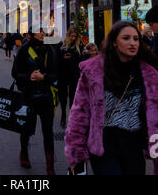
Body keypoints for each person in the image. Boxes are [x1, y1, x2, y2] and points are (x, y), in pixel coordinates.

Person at [65, 21, 158, 175]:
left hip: (133, 145)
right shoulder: (94, 71)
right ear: (114, 42)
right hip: (104, 145)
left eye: (136, 39)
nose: (132, 43)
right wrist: (76, 153)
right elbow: (80, 113)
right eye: (126, 38)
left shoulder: (149, 75)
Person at [12, 28, 57, 175]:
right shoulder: (24, 50)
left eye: (44, 32)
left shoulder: (50, 49)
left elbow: (56, 72)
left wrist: (44, 78)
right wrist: (29, 76)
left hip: (46, 97)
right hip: (28, 97)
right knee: (26, 129)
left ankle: (50, 166)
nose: (42, 34)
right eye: (39, 31)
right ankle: (24, 153)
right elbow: (15, 72)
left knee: (48, 132)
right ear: (32, 34)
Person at [56, 26, 84, 128]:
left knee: (73, 98)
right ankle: (63, 114)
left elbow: (81, 60)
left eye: (75, 36)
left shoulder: (79, 45)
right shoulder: (62, 45)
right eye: (71, 36)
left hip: (74, 75)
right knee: (63, 97)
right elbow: (56, 59)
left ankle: (72, 118)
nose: (73, 38)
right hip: (63, 75)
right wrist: (63, 57)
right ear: (68, 35)